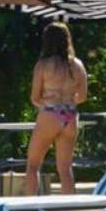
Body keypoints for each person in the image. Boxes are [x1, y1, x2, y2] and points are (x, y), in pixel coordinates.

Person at [26, 21, 89, 194]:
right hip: (70, 115)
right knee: (65, 170)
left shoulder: (43, 65)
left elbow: (34, 97)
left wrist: (47, 101)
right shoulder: (77, 65)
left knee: (33, 166)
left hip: (50, 113)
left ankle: (30, 209)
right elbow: (82, 97)